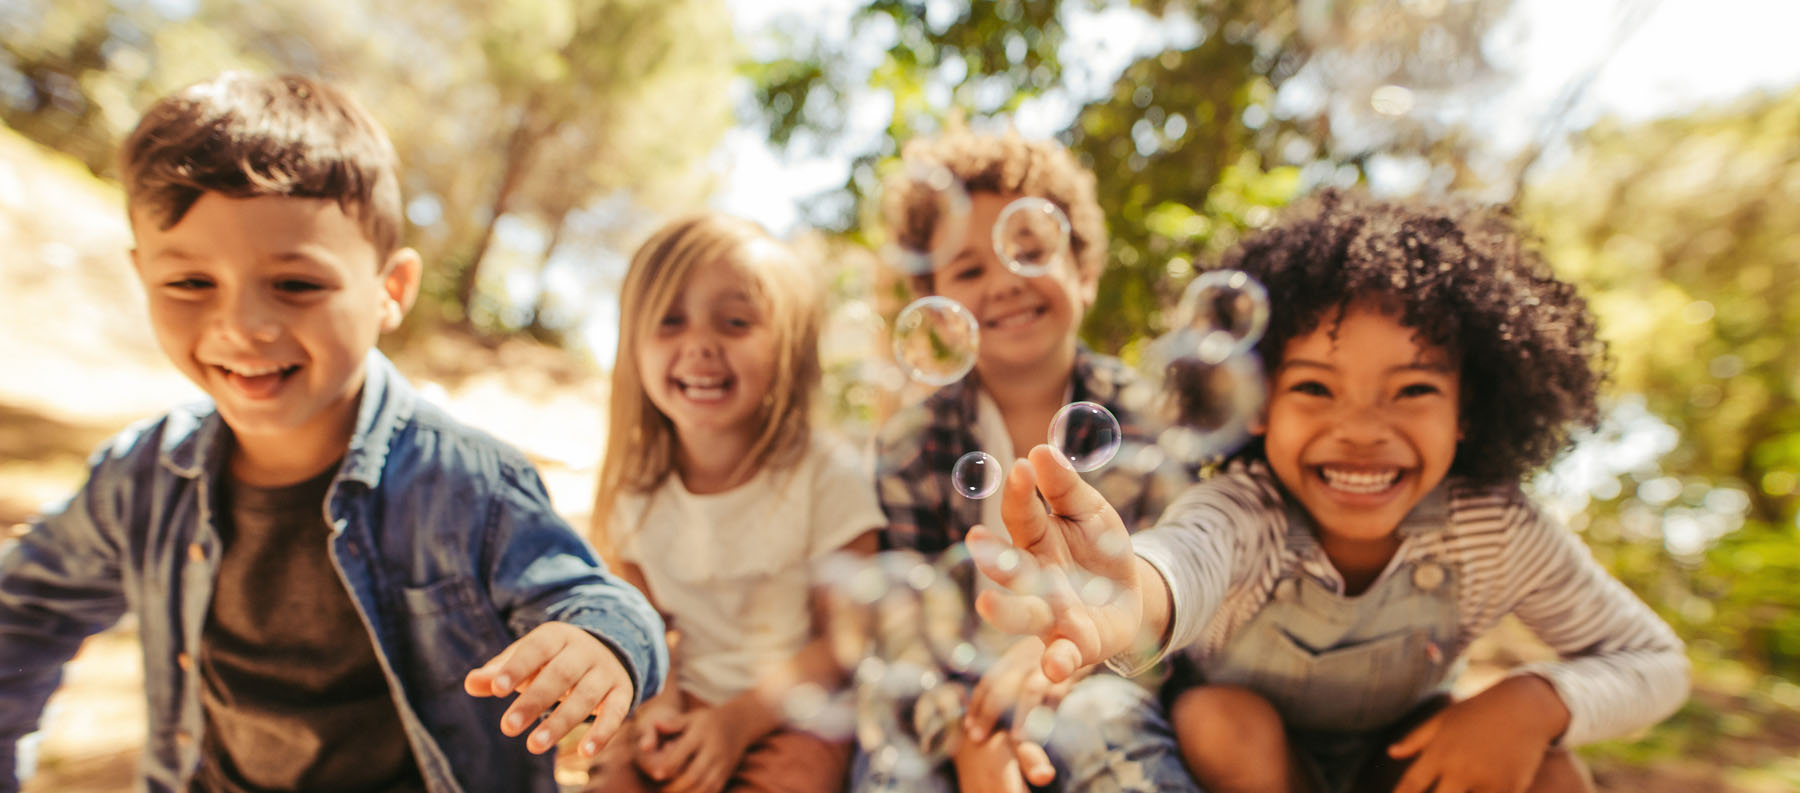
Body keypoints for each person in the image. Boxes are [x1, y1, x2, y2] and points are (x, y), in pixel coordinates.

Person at [0, 72, 668, 793]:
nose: (241, 325)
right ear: (143, 275)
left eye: (295, 285)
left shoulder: (469, 482)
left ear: (391, 289)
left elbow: (595, 598)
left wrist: (602, 643)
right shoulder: (140, 476)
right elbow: (20, 621)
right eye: (191, 283)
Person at [969, 189, 1690, 793]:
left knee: (1552, 767)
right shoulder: (1248, 508)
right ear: (1254, 401)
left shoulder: (1493, 527)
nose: (1362, 429)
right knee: (1221, 717)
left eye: (1412, 388)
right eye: (1315, 386)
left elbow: (1656, 661)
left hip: (1405, 762)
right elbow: (1186, 555)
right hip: (1254, 767)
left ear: (1468, 409)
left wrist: (1539, 700)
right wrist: (1127, 588)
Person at [867, 128, 1200, 793]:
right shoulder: (912, 444)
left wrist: (1057, 670)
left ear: (1082, 271)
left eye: (1028, 251)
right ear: (936, 308)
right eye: (968, 269)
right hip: (951, 699)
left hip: (1101, 681)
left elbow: (1165, 602)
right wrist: (962, 731)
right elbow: (903, 628)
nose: (1005, 282)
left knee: (1111, 737)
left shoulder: (1145, 421)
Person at [581, 213, 885, 793]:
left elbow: (847, 639)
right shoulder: (635, 490)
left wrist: (737, 723)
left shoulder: (826, 474)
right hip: (682, 702)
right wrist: (661, 709)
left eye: (736, 321)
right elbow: (643, 626)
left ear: (790, 348)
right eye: (669, 321)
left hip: (796, 713)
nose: (699, 344)